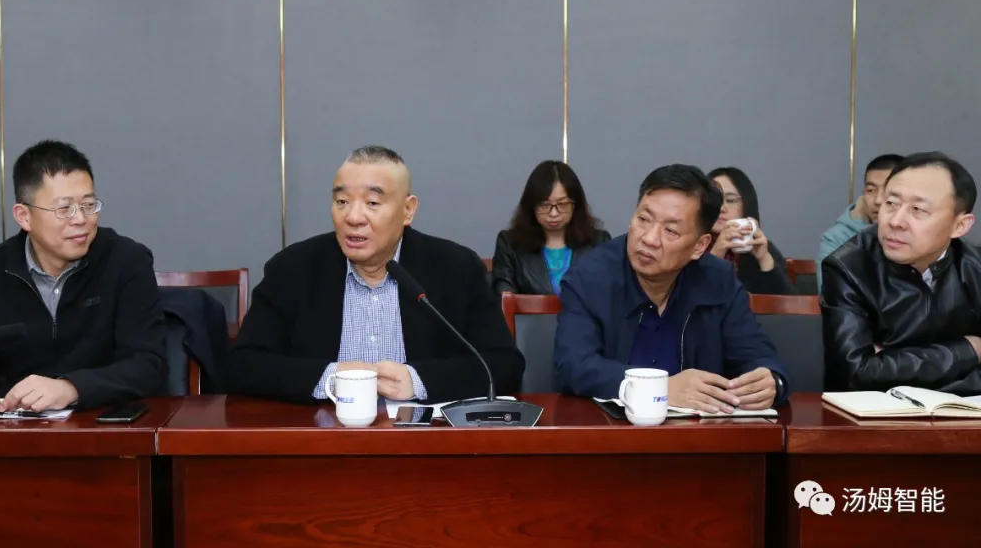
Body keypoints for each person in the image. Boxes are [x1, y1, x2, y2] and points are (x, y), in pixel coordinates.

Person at [226, 146, 524, 404]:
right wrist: (331, 378)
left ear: (408, 210)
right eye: (342, 202)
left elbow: (503, 365)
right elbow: (242, 365)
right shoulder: (293, 269)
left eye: (372, 203)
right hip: (321, 439)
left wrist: (418, 379)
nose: (353, 217)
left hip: (421, 442)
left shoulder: (455, 268)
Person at [0, 140, 167, 414]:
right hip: (13, 431)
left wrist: (71, 388)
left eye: (88, 205)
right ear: (24, 216)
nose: (80, 219)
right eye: (64, 209)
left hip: (102, 425)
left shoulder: (126, 261)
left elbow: (148, 364)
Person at [554, 164, 789, 412]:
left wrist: (771, 382)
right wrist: (659, 388)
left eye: (670, 230)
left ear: (699, 246)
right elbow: (573, 366)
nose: (649, 239)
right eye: (643, 219)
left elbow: (760, 357)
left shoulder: (719, 280)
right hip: (610, 429)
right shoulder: (590, 276)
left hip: (700, 431)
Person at [822, 152, 981, 393]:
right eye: (891, 204)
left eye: (918, 209)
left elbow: (875, 371)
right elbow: (855, 374)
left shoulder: (975, 268)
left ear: (960, 225)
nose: (895, 221)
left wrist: (890, 362)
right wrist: (970, 350)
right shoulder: (849, 267)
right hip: (876, 414)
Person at [492, 160, 610, 297]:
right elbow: (504, 296)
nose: (553, 213)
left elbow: (608, 294)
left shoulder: (599, 243)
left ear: (576, 205)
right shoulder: (510, 244)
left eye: (563, 204)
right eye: (544, 205)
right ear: (531, 206)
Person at [815, 154, 902, 291]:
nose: (878, 200)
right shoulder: (837, 239)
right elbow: (832, 295)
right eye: (871, 190)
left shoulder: (918, 234)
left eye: (888, 190)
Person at [707, 167, 794, 295]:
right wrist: (715, 256)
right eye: (714, 200)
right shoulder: (690, 248)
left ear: (746, 204)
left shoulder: (762, 247)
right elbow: (685, 298)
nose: (721, 208)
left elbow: (789, 303)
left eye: (730, 200)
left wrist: (764, 259)